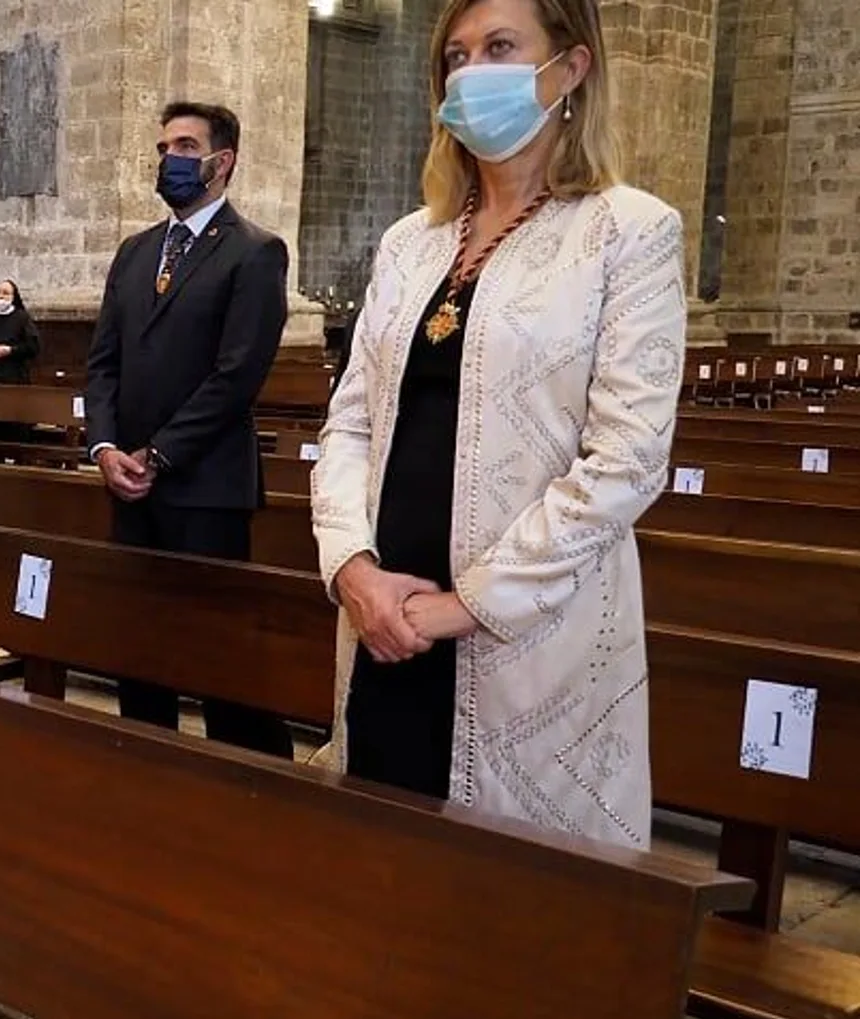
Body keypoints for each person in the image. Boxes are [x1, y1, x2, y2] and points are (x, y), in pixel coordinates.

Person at [310, 0, 685, 848]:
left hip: (529, 640)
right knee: (380, 869)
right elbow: (350, 425)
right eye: (456, 55)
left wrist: (463, 607)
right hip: (383, 623)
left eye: (501, 47)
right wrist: (354, 571)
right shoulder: (410, 244)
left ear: (572, 68)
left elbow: (627, 459)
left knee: (511, 906)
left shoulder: (628, 233)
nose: (472, 72)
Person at [83, 101, 293, 757]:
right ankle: (147, 766)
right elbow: (104, 361)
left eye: (182, 145)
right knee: (141, 647)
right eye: (163, 146)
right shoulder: (136, 250)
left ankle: (249, 776)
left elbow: (236, 376)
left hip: (205, 486)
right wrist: (107, 445)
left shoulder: (254, 253)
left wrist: (160, 454)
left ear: (220, 161)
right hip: (130, 486)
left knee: (212, 652)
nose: (167, 158)